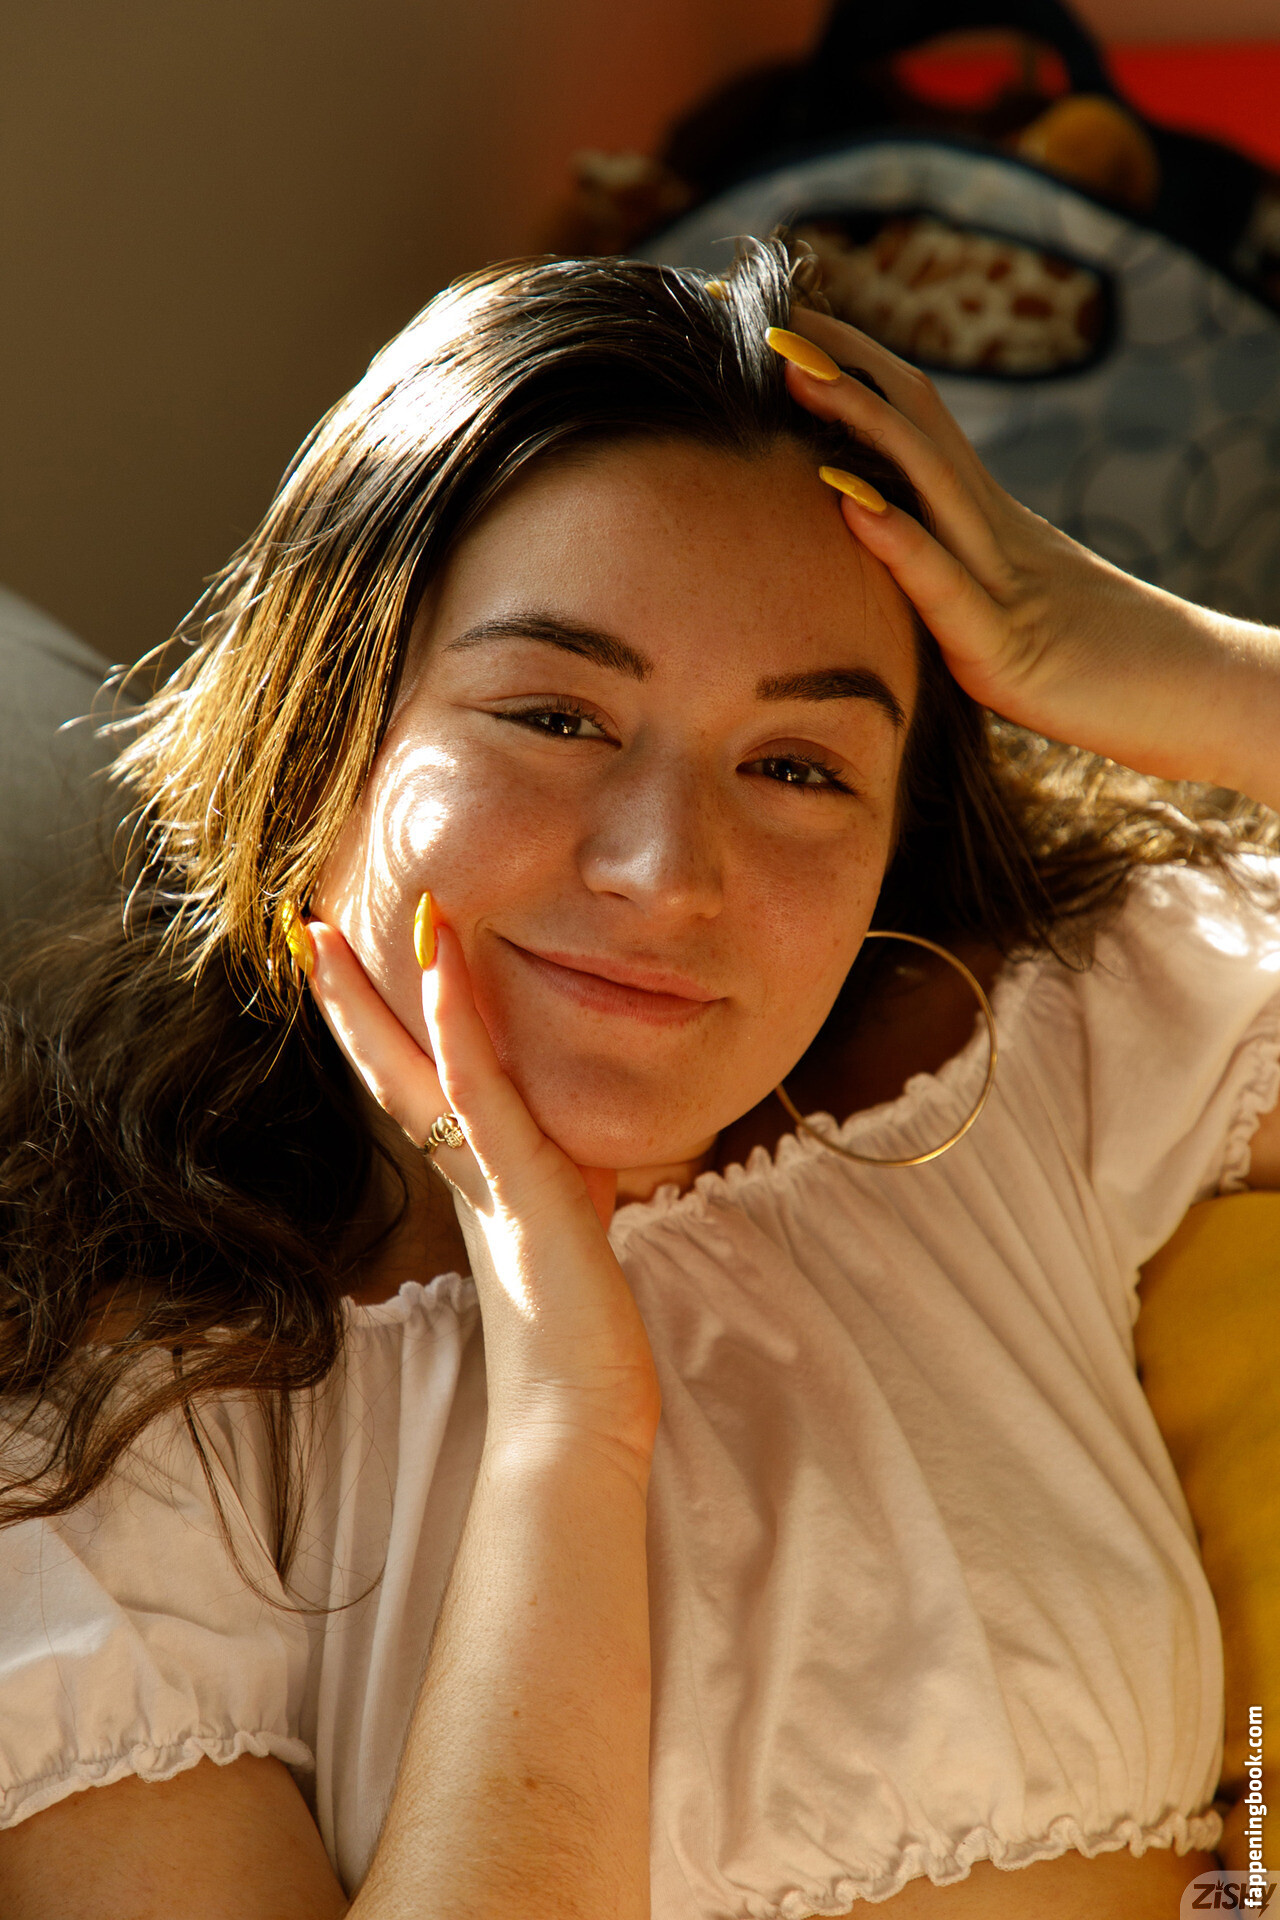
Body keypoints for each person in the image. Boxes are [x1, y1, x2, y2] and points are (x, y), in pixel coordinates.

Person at [0, 237, 1277, 1920]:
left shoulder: (1028, 1066)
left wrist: (1176, 667)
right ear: (322, 728)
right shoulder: (107, 1432)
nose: (669, 874)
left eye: (799, 765)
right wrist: (568, 1414)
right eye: (557, 717)